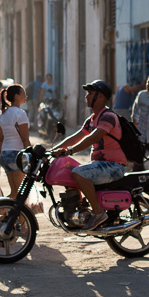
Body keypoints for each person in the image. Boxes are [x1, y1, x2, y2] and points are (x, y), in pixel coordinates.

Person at [53, 79, 126, 231]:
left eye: (90, 94)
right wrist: (53, 150)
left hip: (113, 166)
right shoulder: (93, 119)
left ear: (100, 97)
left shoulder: (108, 117)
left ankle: (98, 213)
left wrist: (70, 151)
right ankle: (80, 210)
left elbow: (93, 137)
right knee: (69, 171)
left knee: (78, 173)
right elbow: (77, 136)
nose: (86, 97)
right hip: (100, 165)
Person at [0, 84, 30, 198]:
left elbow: (0, 137)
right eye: (23, 93)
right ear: (17, 96)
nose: (26, 96)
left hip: (4, 155)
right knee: (21, 195)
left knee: (14, 193)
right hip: (17, 155)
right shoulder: (20, 114)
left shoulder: (3, 115)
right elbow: (25, 139)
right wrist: (31, 155)